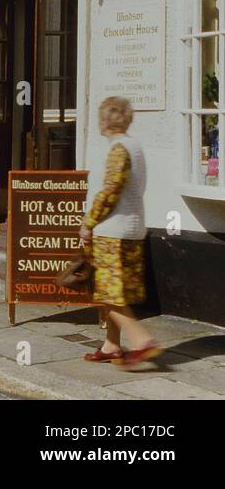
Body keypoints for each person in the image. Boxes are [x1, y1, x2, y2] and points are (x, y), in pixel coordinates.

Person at [80, 96, 161, 368]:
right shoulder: (134, 147)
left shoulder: (118, 150)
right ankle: (112, 345)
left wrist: (89, 222)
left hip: (113, 231)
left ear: (106, 120)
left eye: (101, 117)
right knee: (116, 291)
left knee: (107, 292)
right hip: (132, 228)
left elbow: (110, 191)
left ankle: (141, 341)